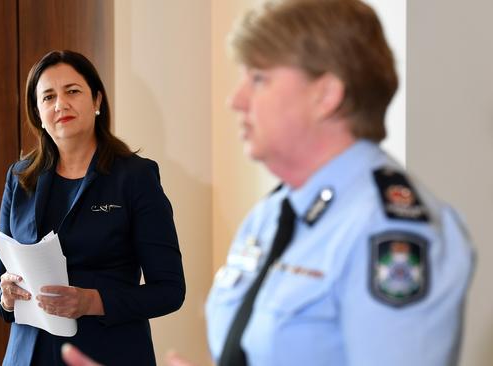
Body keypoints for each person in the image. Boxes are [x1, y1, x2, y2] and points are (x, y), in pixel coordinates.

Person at [61, 0, 475, 365]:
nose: (236, 99)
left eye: (259, 78)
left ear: (326, 94)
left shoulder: (390, 231)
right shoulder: (274, 213)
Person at [0, 50, 186, 366]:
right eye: (48, 97)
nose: (60, 104)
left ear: (97, 100)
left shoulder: (135, 177)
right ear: (38, 112)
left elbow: (170, 290)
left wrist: (91, 301)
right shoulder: (20, 178)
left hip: (107, 353)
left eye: (72, 91)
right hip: (28, 356)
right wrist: (5, 297)